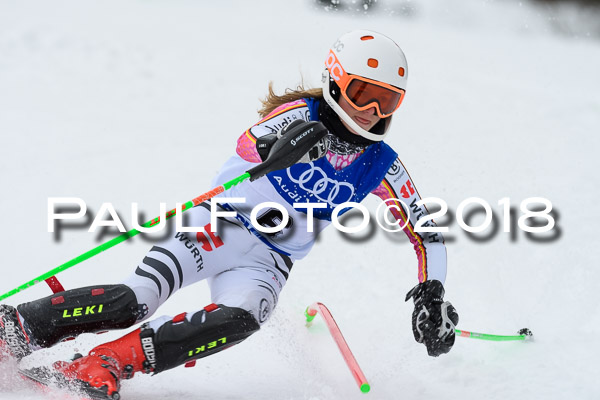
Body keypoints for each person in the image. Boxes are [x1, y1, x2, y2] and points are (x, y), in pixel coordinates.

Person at [0, 30, 458, 399]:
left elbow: (426, 232)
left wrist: (431, 291)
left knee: (243, 319)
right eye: (362, 94)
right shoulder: (300, 113)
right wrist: (288, 146)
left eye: (388, 101)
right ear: (335, 81)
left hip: (268, 262)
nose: (373, 112)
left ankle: (108, 361)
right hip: (218, 227)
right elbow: (250, 142)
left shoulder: (381, 164)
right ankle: (14, 328)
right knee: (134, 300)